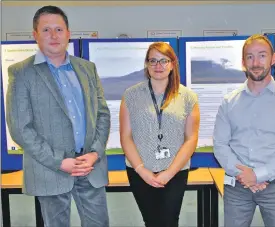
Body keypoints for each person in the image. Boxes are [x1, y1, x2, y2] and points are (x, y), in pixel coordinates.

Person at [6, 5, 110, 227]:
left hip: (89, 167)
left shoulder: (87, 69)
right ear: (35, 35)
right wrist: (59, 161)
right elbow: (20, 128)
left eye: (59, 29)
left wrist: (95, 153)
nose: (53, 36)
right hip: (51, 170)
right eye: (46, 30)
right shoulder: (21, 73)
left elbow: (102, 114)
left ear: (68, 33)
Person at [213, 34, 275, 227]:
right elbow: (220, 145)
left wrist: (257, 175)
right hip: (237, 185)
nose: (256, 62)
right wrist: (245, 177)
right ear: (243, 62)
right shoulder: (229, 103)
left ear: (273, 58)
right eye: (250, 56)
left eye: (262, 55)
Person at [119, 42, 200, 227]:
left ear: (172, 64)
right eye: (153, 60)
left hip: (175, 171)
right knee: (151, 221)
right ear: (146, 65)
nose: (158, 66)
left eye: (163, 60)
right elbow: (126, 136)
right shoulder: (130, 95)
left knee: (169, 221)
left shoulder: (188, 97)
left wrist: (169, 173)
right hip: (139, 171)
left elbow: (191, 138)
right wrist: (142, 170)